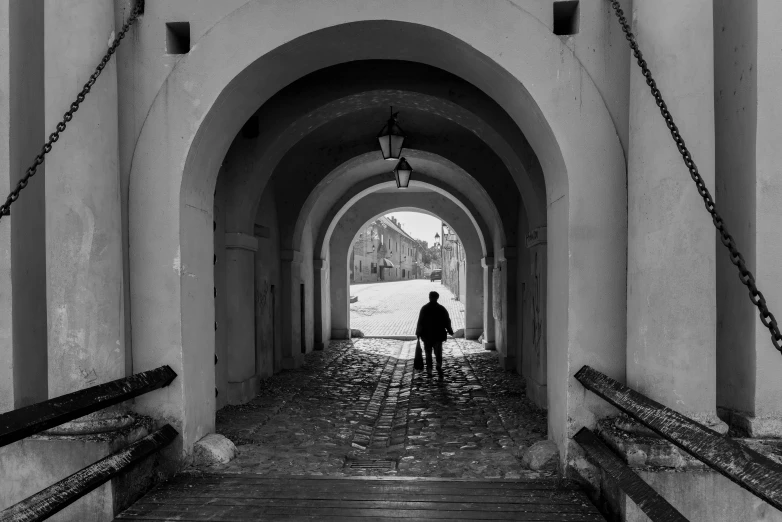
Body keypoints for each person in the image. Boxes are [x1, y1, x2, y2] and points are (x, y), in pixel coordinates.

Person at [415, 291, 454, 379]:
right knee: (438, 352)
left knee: (428, 353)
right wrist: (450, 331)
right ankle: (438, 364)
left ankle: (429, 369)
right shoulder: (441, 309)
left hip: (427, 336)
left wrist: (418, 332)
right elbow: (447, 321)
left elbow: (420, 321)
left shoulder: (424, 308)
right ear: (437, 298)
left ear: (429, 297)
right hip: (438, 336)